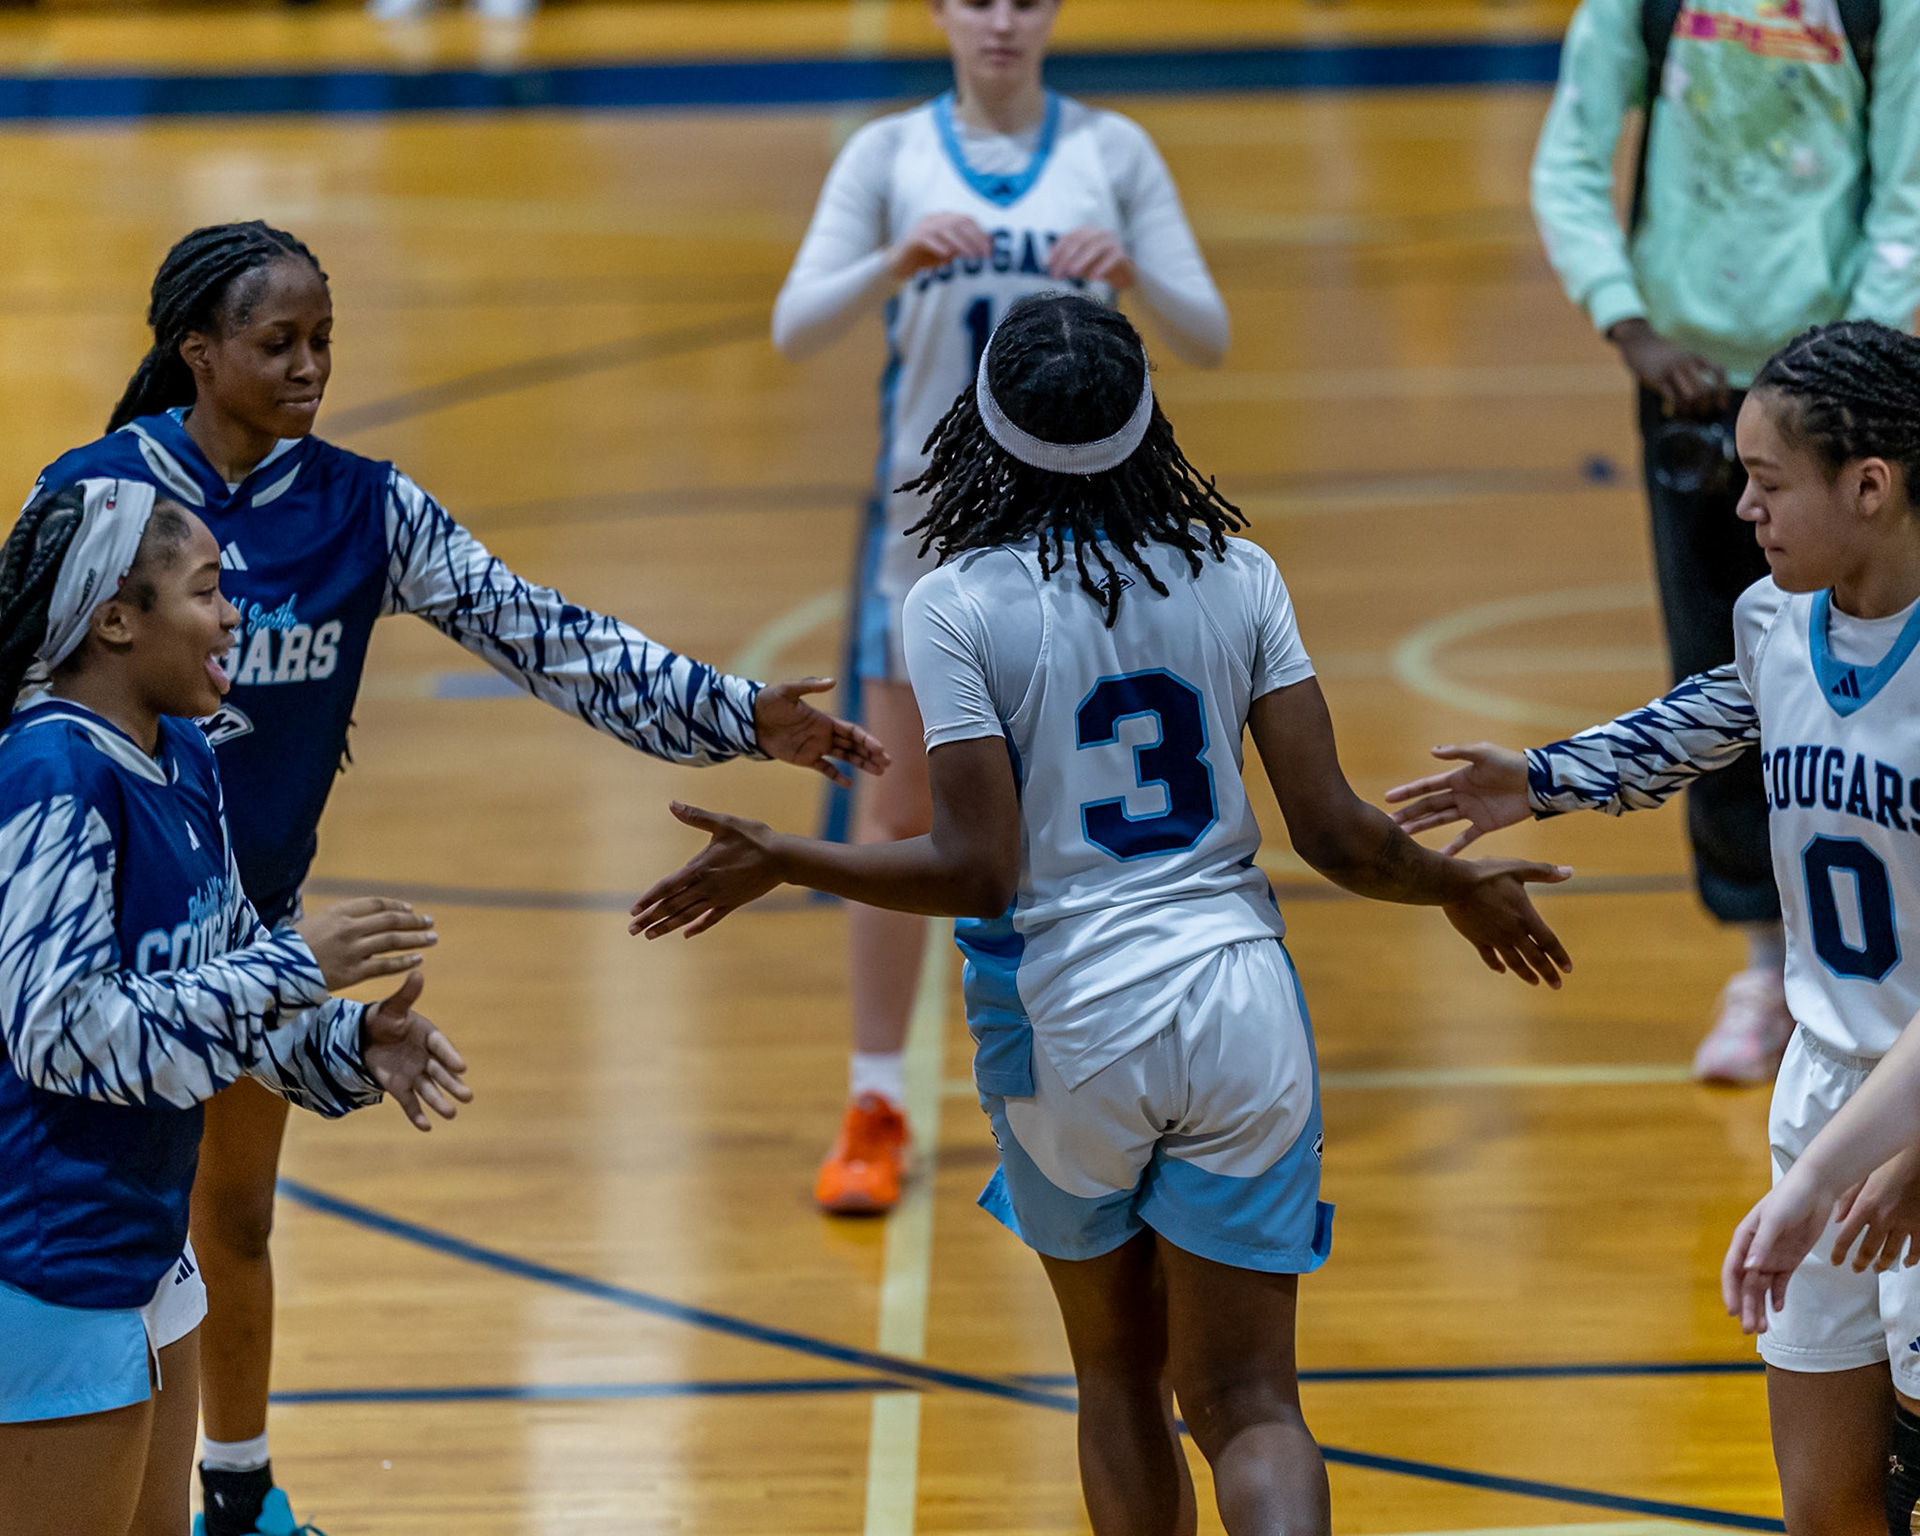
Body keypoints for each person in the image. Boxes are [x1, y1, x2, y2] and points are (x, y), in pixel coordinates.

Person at [632, 294, 1572, 1535]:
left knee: (1119, 1380)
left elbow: (977, 871)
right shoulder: (1238, 573)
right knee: (1251, 1403)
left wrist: (787, 857)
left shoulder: (956, 603)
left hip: (1070, 1020)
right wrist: (1455, 883)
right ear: (1146, 420)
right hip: (1238, 1005)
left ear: (981, 428)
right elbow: (1336, 832)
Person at [32, 220, 888, 1536]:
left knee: (228, 1222)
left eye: (325, 340)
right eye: (279, 343)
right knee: (75, 1222)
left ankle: (238, 1491)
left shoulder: (364, 505)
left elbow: (544, 635)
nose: (312, 366)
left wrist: (734, 715)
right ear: (197, 353)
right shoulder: (99, 500)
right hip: (92, 928)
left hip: (243, 928)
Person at [1385, 321, 1920, 1536]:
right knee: (1826, 1502)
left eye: (1769, 481)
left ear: (1870, 486)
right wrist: (1543, 777)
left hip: (1913, 1107)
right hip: (1825, 1087)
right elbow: (1723, 708)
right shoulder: (1777, 621)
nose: (1743, 509)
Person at [772, 0, 1229, 1214]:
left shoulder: (1111, 150)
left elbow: (1210, 333)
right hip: (924, 542)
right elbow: (794, 324)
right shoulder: (888, 154)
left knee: (1078, 808)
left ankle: (1100, 1077)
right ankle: (876, 1097)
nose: (1003, 22)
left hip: (1081, 540)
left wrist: (1135, 272)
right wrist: (890, 264)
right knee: (898, 811)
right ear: (939, 12)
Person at [0, 480, 470, 1536]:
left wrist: (346, 1044)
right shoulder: (50, 775)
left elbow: (217, 981)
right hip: (43, 1261)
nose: (234, 617)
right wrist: (293, 969)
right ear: (116, 621)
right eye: (209, 591)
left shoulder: (186, 756)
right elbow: (60, 1033)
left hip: (143, 1236)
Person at [1530, 0, 1920, 1082]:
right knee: (1725, 658)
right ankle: (1767, 967)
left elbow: (1906, 185)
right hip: (1688, 386)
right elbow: (1568, 161)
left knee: (1882, 670)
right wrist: (1628, 321)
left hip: (1839, 388)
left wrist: (1838, 362)